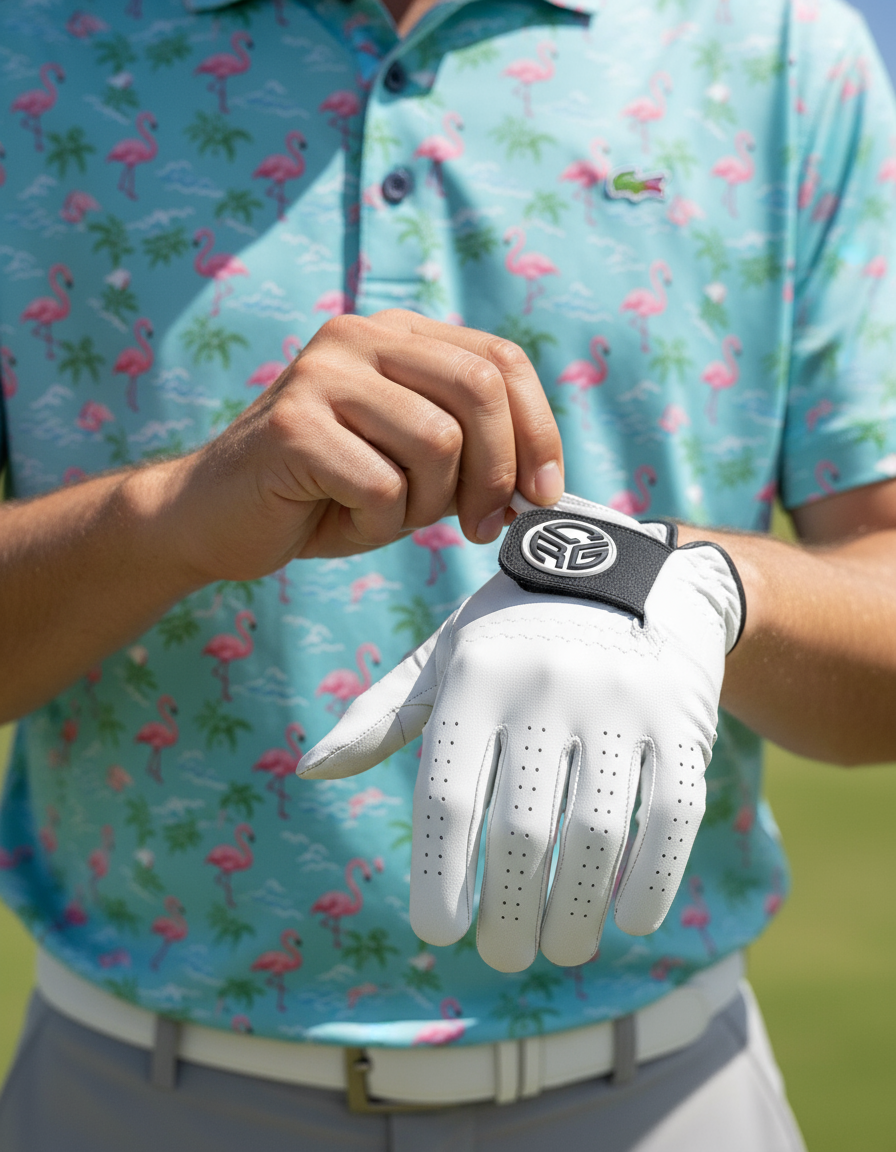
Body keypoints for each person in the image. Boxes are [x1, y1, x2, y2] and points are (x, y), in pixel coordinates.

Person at [0, 0, 894, 1147]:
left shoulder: (770, 40)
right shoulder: (31, 41)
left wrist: (696, 587)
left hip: (663, 1093)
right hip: (128, 1093)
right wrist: (161, 517)